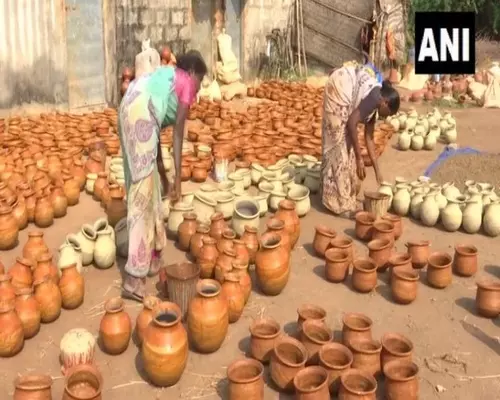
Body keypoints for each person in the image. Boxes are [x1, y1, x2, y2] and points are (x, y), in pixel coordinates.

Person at [118, 50, 207, 301]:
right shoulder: (186, 83)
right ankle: (134, 280)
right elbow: (177, 135)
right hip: (140, 114)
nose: (198, 89)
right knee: (141, 195)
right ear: (192, 73)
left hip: (129, 107)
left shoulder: (167, 78)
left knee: (151, 183)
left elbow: (155, 128)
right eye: (200, 80)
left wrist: (165, 174)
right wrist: (178, 179)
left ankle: (154, 256)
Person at [321, 62, 400, 219]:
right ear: (384, 102)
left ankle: (340, 195)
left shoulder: (375, 106)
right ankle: (338, 205)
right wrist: (359, 158)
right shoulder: (374, 98)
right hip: (338, 88)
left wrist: (378, 172)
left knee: (348, 145)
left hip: (345, 90)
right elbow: (352, 122)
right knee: (339, 144)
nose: (388, 117)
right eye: (389, 113)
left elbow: (368, 138)